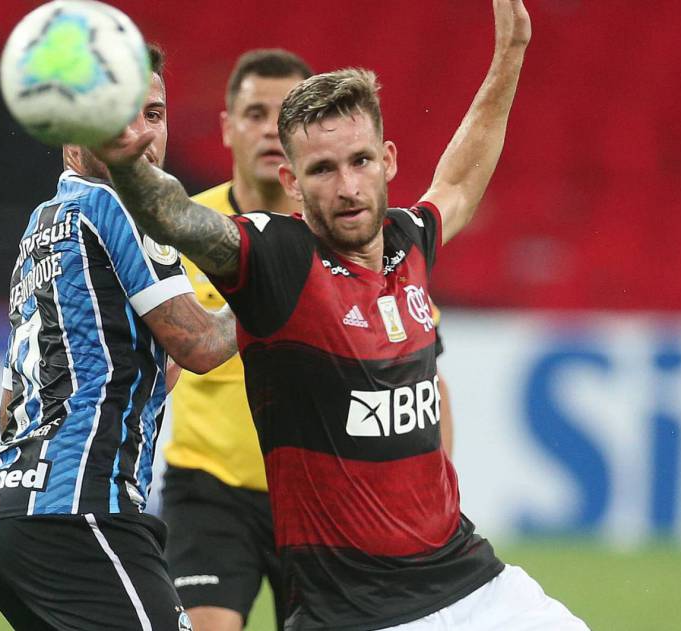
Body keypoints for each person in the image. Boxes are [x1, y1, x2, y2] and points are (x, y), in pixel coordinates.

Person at [93, 2, 588, 629]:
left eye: (359, 162)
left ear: (389, 160)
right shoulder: (278, 260)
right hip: (357, 612)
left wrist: (510, 54)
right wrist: (124, 150)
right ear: (292, 182)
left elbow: (460, 181)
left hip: (472, 583)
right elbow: (178, 216)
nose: (348, 187)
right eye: (322, 170)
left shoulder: (409, 241)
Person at [160, 49, 457, 631]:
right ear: (226, 127)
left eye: (283, 114)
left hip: (329, 498)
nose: (270, 129)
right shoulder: (186, 233)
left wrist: (436, 489)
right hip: (213, 490)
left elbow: (422, 376)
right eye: (253, 113)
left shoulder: (356, 241)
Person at [0, 46, 237, 631]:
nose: (140, 136)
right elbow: (202, 347)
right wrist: (279, 292)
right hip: (80, 511)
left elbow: (12, 405)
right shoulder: (121, 206)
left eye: (154, 115)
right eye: (117, 116)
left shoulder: (42, 225)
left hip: (0, 512)